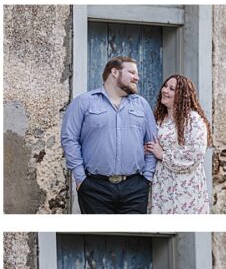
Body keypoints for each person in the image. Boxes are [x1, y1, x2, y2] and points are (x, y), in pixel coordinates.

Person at [61, 56, 158, 214]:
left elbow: (153, 141)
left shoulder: (141, 104)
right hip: (95, 188)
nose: (137, 77)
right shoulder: (83, 103)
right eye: (132, 72)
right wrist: (80, 179)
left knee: (133, 238)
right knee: (99, 237)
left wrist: (147, 178)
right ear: (114, 72)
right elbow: (69, 139)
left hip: (135, 188)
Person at [145, 75, 212, 214]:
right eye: (165, 86)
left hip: (185, 186)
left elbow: (195, 154)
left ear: (181, 94)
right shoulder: (158, 119)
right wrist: (147, 149)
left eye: (171, 89)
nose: (165, 90)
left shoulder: (193, 120)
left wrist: (162, 154)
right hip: (162, 185)